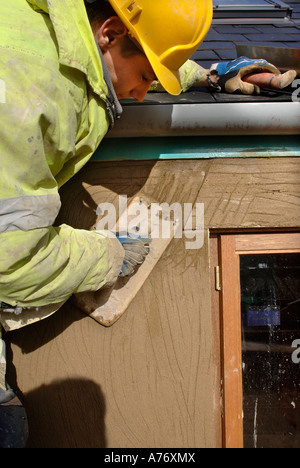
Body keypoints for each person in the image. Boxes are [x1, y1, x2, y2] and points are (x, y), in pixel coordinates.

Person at [0, 0, 213, 447]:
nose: (143, 95)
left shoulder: (58, 23)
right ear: (110, 32)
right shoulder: (29, 91)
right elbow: (9, 264)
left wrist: (208, 73)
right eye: (145, 78)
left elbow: (117, 54)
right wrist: (109, 254)